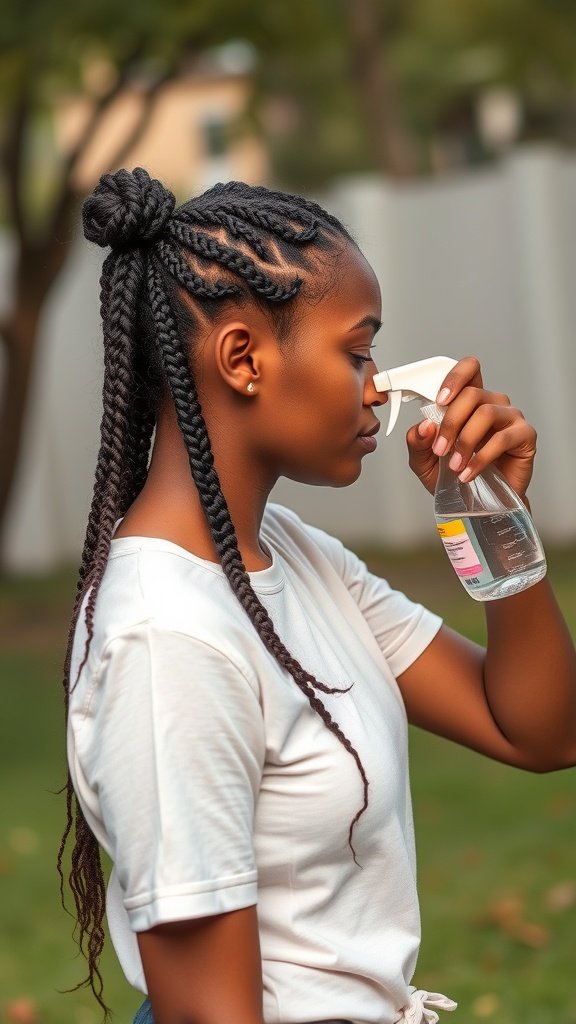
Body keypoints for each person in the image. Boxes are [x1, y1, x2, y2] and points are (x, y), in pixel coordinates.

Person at [60, 167, 576, 1024]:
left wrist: (491, 514)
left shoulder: (297, 558)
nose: (377, 383)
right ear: (242, 359)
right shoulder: (167, 635)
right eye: (356, 349)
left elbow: (542, 729)